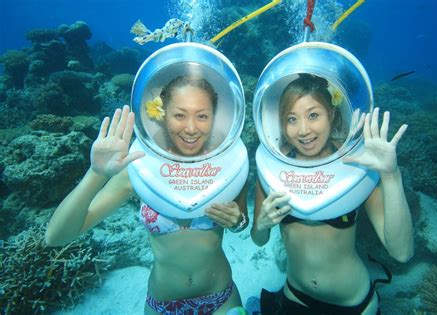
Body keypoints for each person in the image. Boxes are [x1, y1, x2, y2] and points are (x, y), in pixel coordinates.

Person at [45, 75, 248, 315]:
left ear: (215, 118)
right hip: (164, 304)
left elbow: (241, 223)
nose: (191, 128)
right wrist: (96, 173)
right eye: (179, 115)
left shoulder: (229, 167)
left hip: (222, 299)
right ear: (162, 117)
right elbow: (57, 236)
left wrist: (238, 221)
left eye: (202, 115)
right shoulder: (142, 170)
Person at [251, 74, 414, 314]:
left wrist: (391, 175)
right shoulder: (272, 170)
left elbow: (402, 252)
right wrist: (262, 224)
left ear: (332, 114)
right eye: (291, 119)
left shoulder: (356, 167)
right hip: (295, 297)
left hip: (354, 305)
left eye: (313, 115)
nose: (303, 130)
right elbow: (258, 239)